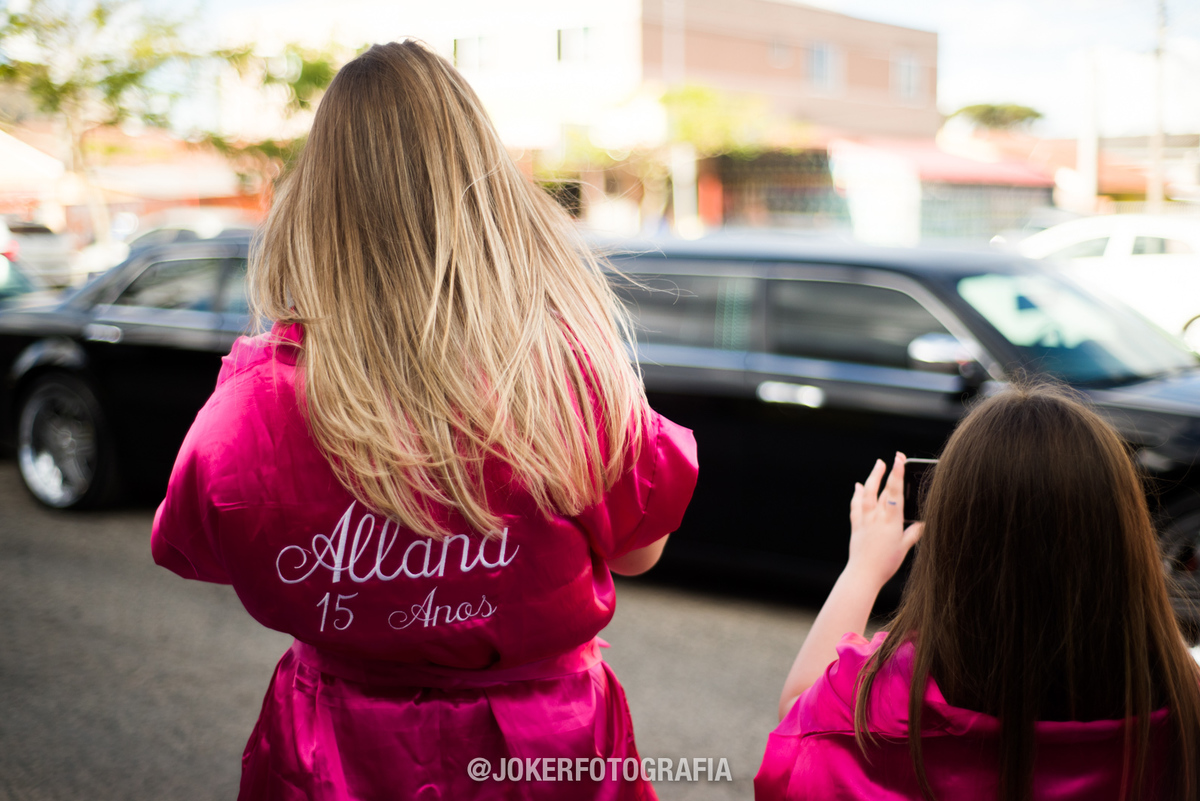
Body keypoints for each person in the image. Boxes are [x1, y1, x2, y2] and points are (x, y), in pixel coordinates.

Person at [151, 41, 697, 801]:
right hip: (546, 750)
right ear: (487, 184)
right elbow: (639, 551)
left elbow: (200, 548)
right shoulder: (567, 376)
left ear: (319, 199)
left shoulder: (251, 407)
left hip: (338, 749)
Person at [756, 383, 1200, 801]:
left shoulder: (879, 696)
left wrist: (864, 570)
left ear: (954, 538)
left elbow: (802, 725)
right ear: (1125, 537)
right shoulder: (1183, 701)